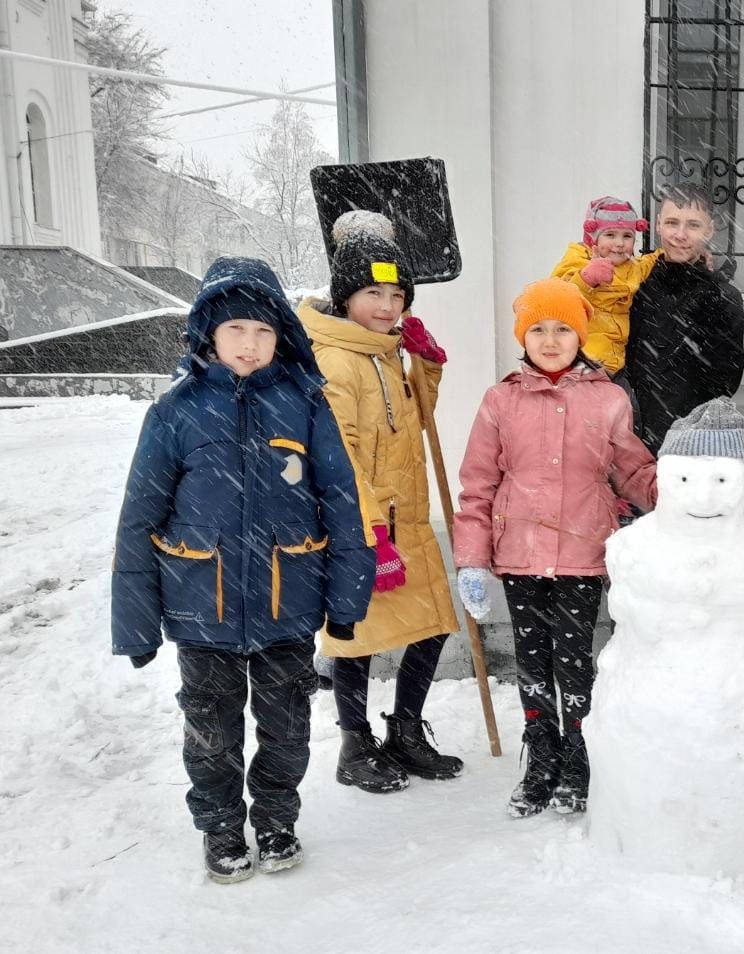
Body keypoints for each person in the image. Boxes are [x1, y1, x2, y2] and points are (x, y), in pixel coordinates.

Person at [111, 257, 375, 883]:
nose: (250, 344)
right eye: (236, 331)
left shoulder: (305, 405)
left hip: (288, 602)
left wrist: (346, 597)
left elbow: (341, 503)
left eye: (263, 330)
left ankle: (278, 819)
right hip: (203, 606)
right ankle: (223, 826)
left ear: (281, 334)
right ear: (208, 334)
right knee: (211, 733)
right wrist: (138, 624)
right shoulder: (176, 412)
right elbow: (138, 518)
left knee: (287, 727)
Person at [452, 278, 658, 818]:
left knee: (574, 664)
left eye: (562, 328)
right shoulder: (501, 400)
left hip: (583, 553)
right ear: (523, 336)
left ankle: (578, 759)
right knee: (533, 663)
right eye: (538, 328)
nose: (550, 339)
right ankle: (540, 757)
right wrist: (471, 558)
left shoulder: (609, 399)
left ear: (580, 335)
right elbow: (477, 484)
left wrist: (676, 491)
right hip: (518, 553)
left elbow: (631, 468)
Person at [298, 211, 462, 795]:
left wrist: (430, 363)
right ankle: (354, 743)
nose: (388, 306)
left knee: (433, 625)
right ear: (345, 297)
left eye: (397, 295)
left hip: (408, 519)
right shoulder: (333, 358)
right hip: (366, 527)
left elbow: (417, 419)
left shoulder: (386, 350)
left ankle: (407, 732)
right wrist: (369, 532)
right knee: (354, 638)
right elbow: (335, 455)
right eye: (373, 293)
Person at [625, 182, 744, 453]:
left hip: (693, 447)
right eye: (671, 223)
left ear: (710, 229)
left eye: (693, 225)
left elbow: (725, 381)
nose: (680, 234)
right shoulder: (634, 286)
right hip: (633, 441)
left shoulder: (723, 296)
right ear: (657, 225)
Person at [551, 196, 662, 376]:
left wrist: (693, 253)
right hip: (580, 364)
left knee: (626, 403)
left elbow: (652, 260)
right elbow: (557, 297)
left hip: (614, 366)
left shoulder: (632, 267)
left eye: (627, 236)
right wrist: (585, 278)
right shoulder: (580, 258)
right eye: (610, 235)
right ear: (593, 237)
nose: (619, 243)